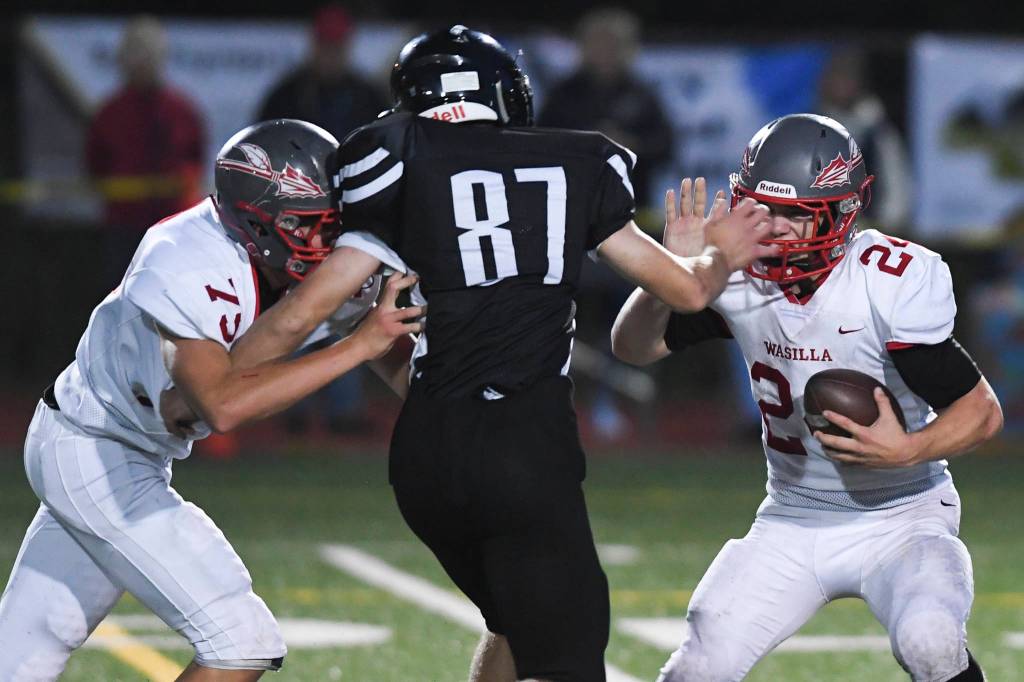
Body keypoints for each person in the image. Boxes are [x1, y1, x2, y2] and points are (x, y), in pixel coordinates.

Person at [221, 25, 775, 682]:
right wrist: (717, 256)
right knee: (570, 656)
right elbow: (686, 292)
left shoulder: (392, 158)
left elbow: (307, 311)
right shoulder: (578, 160)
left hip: (426, 452)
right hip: (525, 445)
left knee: (514, 625)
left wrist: (226, 370)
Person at [0, 119, 420, 681]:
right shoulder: (183, 257)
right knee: (238, 640)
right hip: (93, 448)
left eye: (334, 222)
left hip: (126, 449)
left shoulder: (303, 255)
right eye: (310, 225)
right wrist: (358, 344)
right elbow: (219, 406)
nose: (328, 242)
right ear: (258, 223)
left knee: (23, 657)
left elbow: (405, 372)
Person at [611, 114, 1003, 682]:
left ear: (843, 212)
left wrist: (906, 451)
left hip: (904, 515)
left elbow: (981, 410)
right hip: (793, 516)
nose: (774, 229)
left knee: (931, 641)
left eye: (796, 214)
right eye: (762, 210)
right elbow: (633, 348)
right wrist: (671, 277)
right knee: (697, 667)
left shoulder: (886, 280)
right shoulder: (735, 274)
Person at [85, 15, 206, 289]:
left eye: (148, 54)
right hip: (124, 227)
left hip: (174, 225)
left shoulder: (182, 111)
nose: (140, 61)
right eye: (134, 54)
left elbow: (195, 158)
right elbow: (95, 163)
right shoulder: (109, 113)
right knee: (122, 298)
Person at [257, 3, 388, 144]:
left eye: (336, 46)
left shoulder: (370, 98)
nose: (330, 54)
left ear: (348, 45)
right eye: (325, 45)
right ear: (313, 44)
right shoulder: (284, 98)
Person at [816, 47, 912, 230]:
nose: (840, 84)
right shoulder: (813, 126)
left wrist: (883, 227)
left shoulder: (877, 131)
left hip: (867, 231)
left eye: (847, 77)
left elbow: (896, 185)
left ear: (859, 82)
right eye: (836, 76)